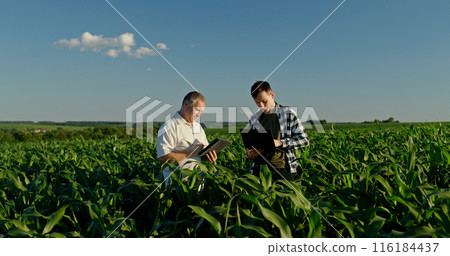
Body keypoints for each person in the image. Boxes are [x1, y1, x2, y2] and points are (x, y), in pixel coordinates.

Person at [245, 81, 309, 180]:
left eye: (264, 101)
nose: (261, 105)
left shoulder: (288, 114)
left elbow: (304, 140)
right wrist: (249, 154)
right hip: (258, 171)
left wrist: (280, 143)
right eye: (257, 102)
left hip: (281, 170)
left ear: (272, 95)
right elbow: (249, 147)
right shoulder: (254, 119)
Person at [157, 91, 217, 186]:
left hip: (198, 187)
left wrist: (209, 156)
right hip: (177, 189)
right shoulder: (169, 126)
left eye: (201, 112)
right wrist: (189, 152)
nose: (199, 114)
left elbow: (201, 153)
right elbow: (163, 159)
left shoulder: (198, 127)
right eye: (197, 110)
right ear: (186, 104)